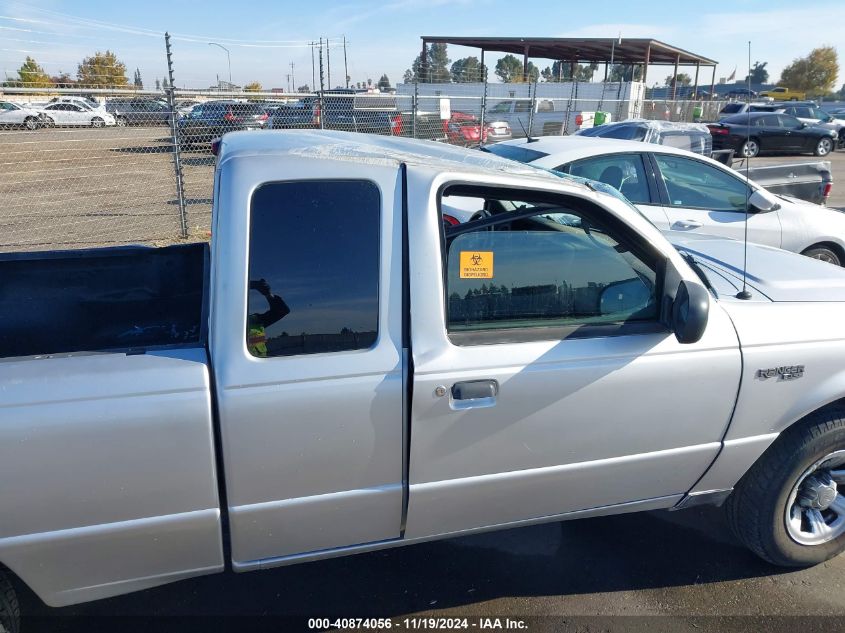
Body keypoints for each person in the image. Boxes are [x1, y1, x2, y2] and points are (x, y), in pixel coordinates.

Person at [247, 278, 290, 357]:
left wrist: (268, 294)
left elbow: (283, 311)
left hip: (260, 366)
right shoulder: (222, 323)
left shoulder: (254, 320)